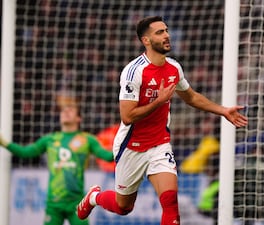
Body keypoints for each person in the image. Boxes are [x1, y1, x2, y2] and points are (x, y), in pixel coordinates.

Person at [76, 16, 248, 225]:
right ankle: (94, 197)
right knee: (123, 207)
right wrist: (159, 101)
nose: (167, 35)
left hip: (159, 145)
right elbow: (127, 117)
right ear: (146, 40)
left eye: (166, 30)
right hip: (131, 146)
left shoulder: (174, 68)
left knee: (170, 204)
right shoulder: (134, 71)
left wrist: (223, 110)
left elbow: (191, 96)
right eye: (159, 32)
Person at [0, 101, 114, 225]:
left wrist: (123, 148)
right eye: (63, 110)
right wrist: (5, 143)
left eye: (70, 110)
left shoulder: (87, 139)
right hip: (54, 204)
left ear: (78, 118)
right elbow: (25, 152)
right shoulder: (50, 139)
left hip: (77, 202)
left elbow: (107, 156)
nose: (65, 112)